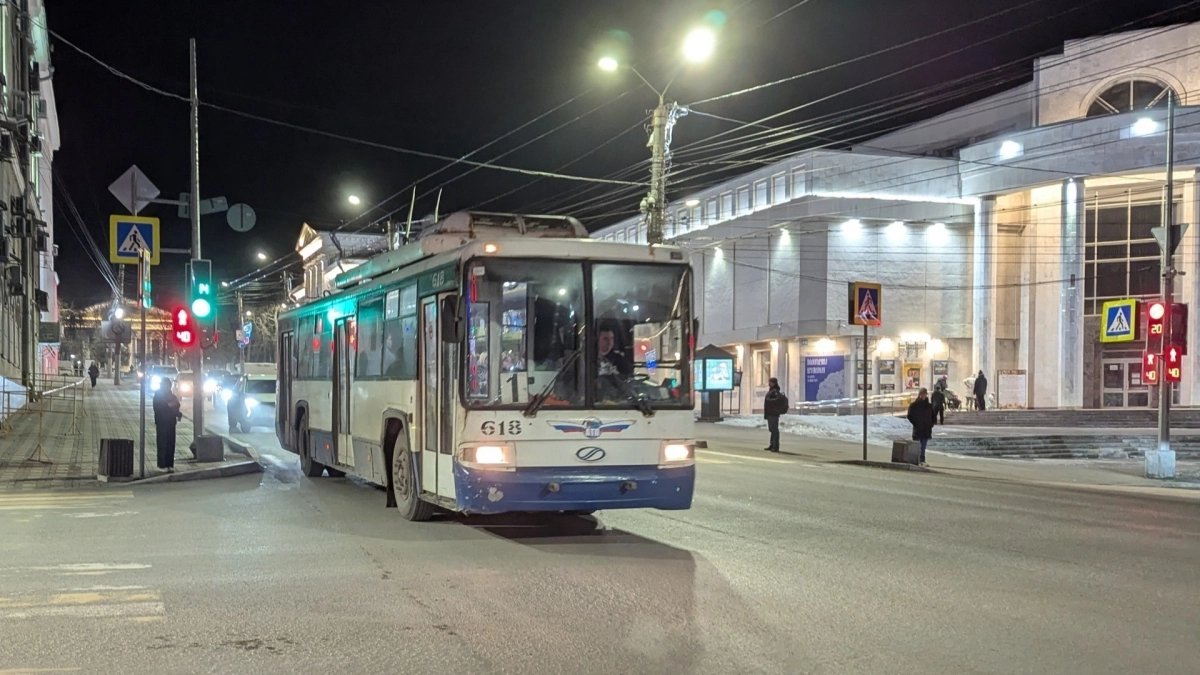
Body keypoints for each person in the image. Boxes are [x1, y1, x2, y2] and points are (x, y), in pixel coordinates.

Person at [153, 378, 183, 472]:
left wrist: (177, 413)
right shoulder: (158, 395)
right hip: (162, 422)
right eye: (165, 385)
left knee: (170, 443)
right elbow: (161, 407)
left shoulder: (172, 395)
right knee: (163, 443)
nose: (167, 387)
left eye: (168, 385)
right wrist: (169, 405)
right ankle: (162, 465)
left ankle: (169, 464)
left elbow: (176, 405)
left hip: (171, 422)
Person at [906, 387, 935, 466]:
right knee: (917, 445)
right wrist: (916, 423)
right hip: (918, 429)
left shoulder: (929, 406)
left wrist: (931, 424)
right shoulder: (914, 405)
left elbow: (933, 416)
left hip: (926, 429)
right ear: (919, 395)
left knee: (923, 445)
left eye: (925, 394)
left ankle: (922, 460)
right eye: (922, 394)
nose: (923, 396)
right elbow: (909, 415)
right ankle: (917, 460)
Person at [763, 377, 788, 452]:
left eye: (770, 382)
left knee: (774, 430)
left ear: (774, 383)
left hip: (773, 413)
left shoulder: (775, 391)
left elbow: (777, 401)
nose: (769, 383)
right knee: (772, 429)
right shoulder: (771, 391)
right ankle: (772, 444)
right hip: (770, 413)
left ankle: (776, 446)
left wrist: (769, 401)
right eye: (769, 382)